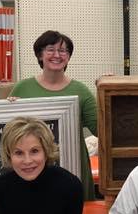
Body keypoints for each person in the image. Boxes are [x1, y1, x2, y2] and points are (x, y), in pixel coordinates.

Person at [11, 30, 98, 201]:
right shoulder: (22, 89)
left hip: (72, 170)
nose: (57, 55)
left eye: (63, 50)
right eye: (50, 49)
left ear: (68, 57)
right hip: (30, 170)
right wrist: (8, 107)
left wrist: (107, 91)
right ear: (40, 55)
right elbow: (8, 133)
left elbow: (101, 130)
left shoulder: (81, 91)